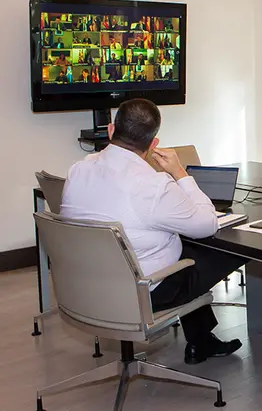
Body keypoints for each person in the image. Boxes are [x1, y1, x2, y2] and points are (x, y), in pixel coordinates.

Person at [60, 99, 246, 365]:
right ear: (153, 144)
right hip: (141, 292)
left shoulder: (77, 170)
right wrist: (180, 173)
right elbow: (207, 224)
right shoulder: (153, 185)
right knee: (228, 249)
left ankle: (201, 340)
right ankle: (202, 340)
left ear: (111, 131)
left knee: (187, 252)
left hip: (87, 285)